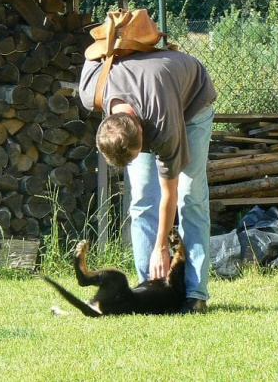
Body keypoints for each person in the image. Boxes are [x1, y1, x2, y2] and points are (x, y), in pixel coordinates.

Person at [79, 47, 217, 314]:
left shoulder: (163, 125)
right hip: (151, 87)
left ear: (141, 131)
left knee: (191, 195)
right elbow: (91, 52)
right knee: (141, 197)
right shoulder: (92, 92)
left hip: (191, 103)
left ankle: (195, 294)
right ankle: (149, 288)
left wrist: (161, 245)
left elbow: (170, 194)